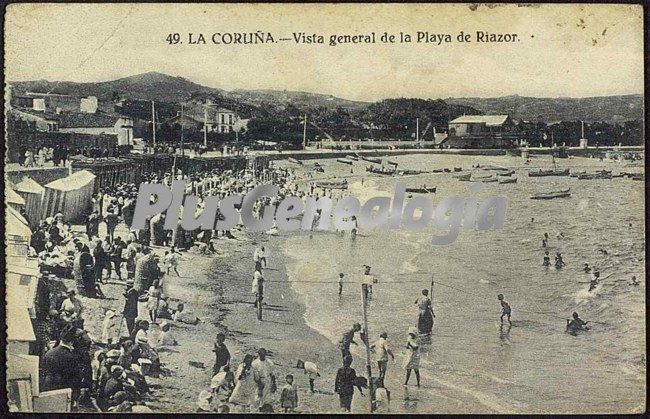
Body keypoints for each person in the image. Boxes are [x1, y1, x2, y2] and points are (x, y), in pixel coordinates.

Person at [42, 326, 79, 392]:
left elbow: (43, 370)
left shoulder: (49, 353)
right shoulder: (71, 357)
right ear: (72, 342)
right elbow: (74, 378)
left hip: (47, 386)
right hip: (62, 389)